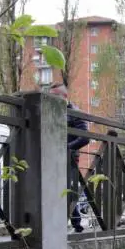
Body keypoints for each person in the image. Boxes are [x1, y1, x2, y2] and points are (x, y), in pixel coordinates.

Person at [49, 83, 89, 232]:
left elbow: (84, 137)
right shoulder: (53, 112)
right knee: (56, 188)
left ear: (64, 96)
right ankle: (70, 222)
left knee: (66, 188)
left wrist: (67, 148)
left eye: (54, 96)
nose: (51, 99)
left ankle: (75, 222)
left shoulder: (74, 112)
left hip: (69, 156)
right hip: (53, 156)